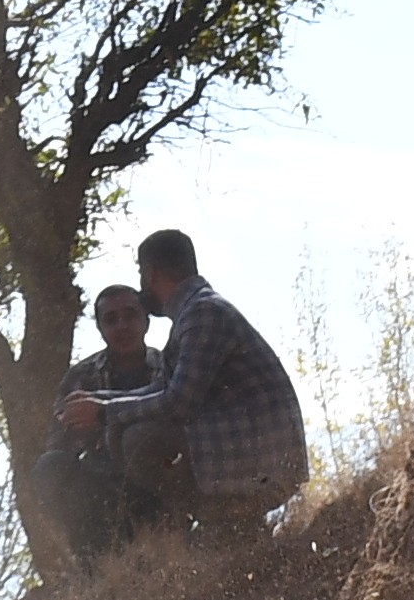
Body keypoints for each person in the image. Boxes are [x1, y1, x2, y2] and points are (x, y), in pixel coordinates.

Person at [50, 229, 307, 551]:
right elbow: (162, 388)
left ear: (151, 273)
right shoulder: (195, 313)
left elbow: (178, 402)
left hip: (268, 461)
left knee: (139, 439)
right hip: (251, 451)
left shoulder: (202, 313)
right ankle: (217, 528)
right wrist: (98, 401)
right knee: (122, 434)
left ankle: (227, 522)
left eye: (142, 277)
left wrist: (102, 412)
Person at [26, 282, 164, 563]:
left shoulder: (168, 367)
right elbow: (59, 442)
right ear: (100, 328)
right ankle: (95, 566)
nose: (122, 325)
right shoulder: (80, 377)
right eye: (111, 319)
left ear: (146, 320)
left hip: (158, 480)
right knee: (49, 467)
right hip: (101, 485)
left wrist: (105, 421)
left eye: (130, 315)